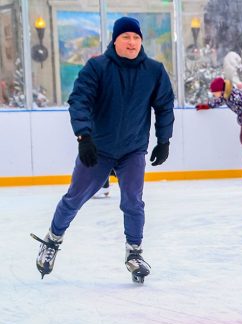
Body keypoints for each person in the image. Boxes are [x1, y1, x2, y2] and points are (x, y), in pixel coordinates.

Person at [32, 17, 174, 283]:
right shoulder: (97, 67)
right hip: (98, 148)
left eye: (136, 37)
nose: (131, 42)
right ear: (115, 40)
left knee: (133, 201)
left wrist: (164, 140)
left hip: (133, 149)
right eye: (126, 37)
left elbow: (164, 106)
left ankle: (134, 253)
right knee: (74, 198)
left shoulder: (154, 70)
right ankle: (51, 241)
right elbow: (80, 100)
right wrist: (84, 136)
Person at [196, 77, 242, 157]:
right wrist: (206, 106)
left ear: (220, 90)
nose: (213, 94)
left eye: (214, 92)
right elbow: (217, 102)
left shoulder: (234, 95)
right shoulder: (226, 96)